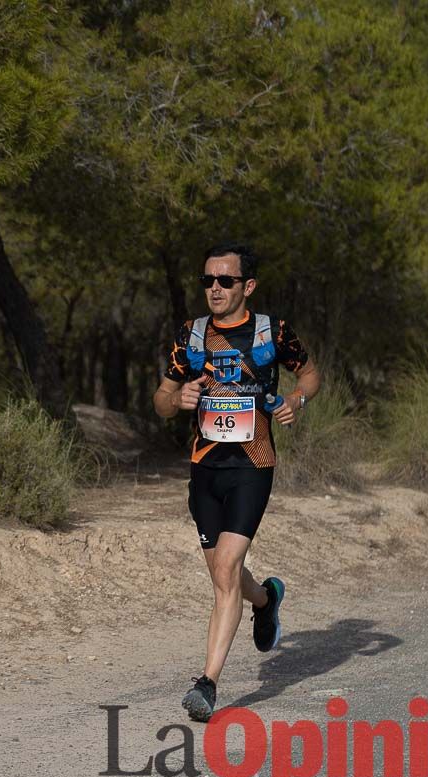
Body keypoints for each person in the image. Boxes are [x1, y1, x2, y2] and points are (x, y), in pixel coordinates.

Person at [153, 243, 320, 721]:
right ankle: (266, 600)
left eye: (225, 281)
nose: (215, 289)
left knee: (226, 568)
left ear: (247, 286)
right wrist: (177, 398)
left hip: (253, 464)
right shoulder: (192, 335)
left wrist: (297, 401)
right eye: (208, 280)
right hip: (204, 469)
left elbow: (309, 374)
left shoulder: (272, 332)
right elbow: (161, 398)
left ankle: (207, 685)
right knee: (225, 576)